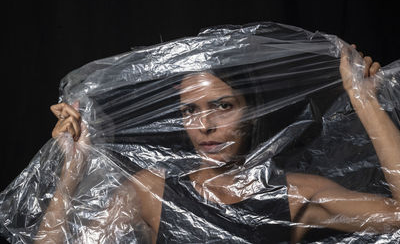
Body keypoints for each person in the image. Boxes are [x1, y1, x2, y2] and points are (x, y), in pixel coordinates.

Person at [35, 44, 400, 244]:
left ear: (252, 111)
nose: (205, 125)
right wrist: (73, 167)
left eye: (223, 106)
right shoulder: (152, 192)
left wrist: (364, 100)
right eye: (189, 111)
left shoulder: (294, 196)